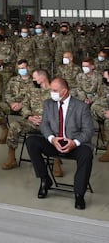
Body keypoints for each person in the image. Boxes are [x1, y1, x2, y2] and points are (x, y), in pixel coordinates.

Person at [25, 78, 93, 210]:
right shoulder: (48, 104)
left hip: (74, 144)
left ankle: (79, 193)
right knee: (31, 141)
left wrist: (74, 142)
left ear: (65, 91)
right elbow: (44, 125)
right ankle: (45, 180)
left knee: (86, 153)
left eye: (54, 90)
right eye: (51, 89)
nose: (51, 93)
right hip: (55, 143)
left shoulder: (81, 107)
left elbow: (88, 131)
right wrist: (52, 139)